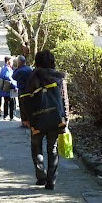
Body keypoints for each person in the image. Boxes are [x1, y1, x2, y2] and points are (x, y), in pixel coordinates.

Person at [18, 49, 69, 190]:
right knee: (52, 148)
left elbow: (24, 99)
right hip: (54, 118)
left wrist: (25, 119)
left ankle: (41, 176)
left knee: (36, 147)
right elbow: (64, 100)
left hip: (36, 120)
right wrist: (66, 118)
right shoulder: (58, 77)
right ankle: (51, 181)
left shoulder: (31, 77)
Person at [12, 55, 34, 127]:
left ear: (20, 62)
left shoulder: (20, 70)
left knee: (22, 106)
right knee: (29, 107)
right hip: (30, 91)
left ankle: (24, 122)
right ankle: (30, 122)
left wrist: (17, 68)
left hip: (22, 91)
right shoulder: (29, 69)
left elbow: (13, 76)